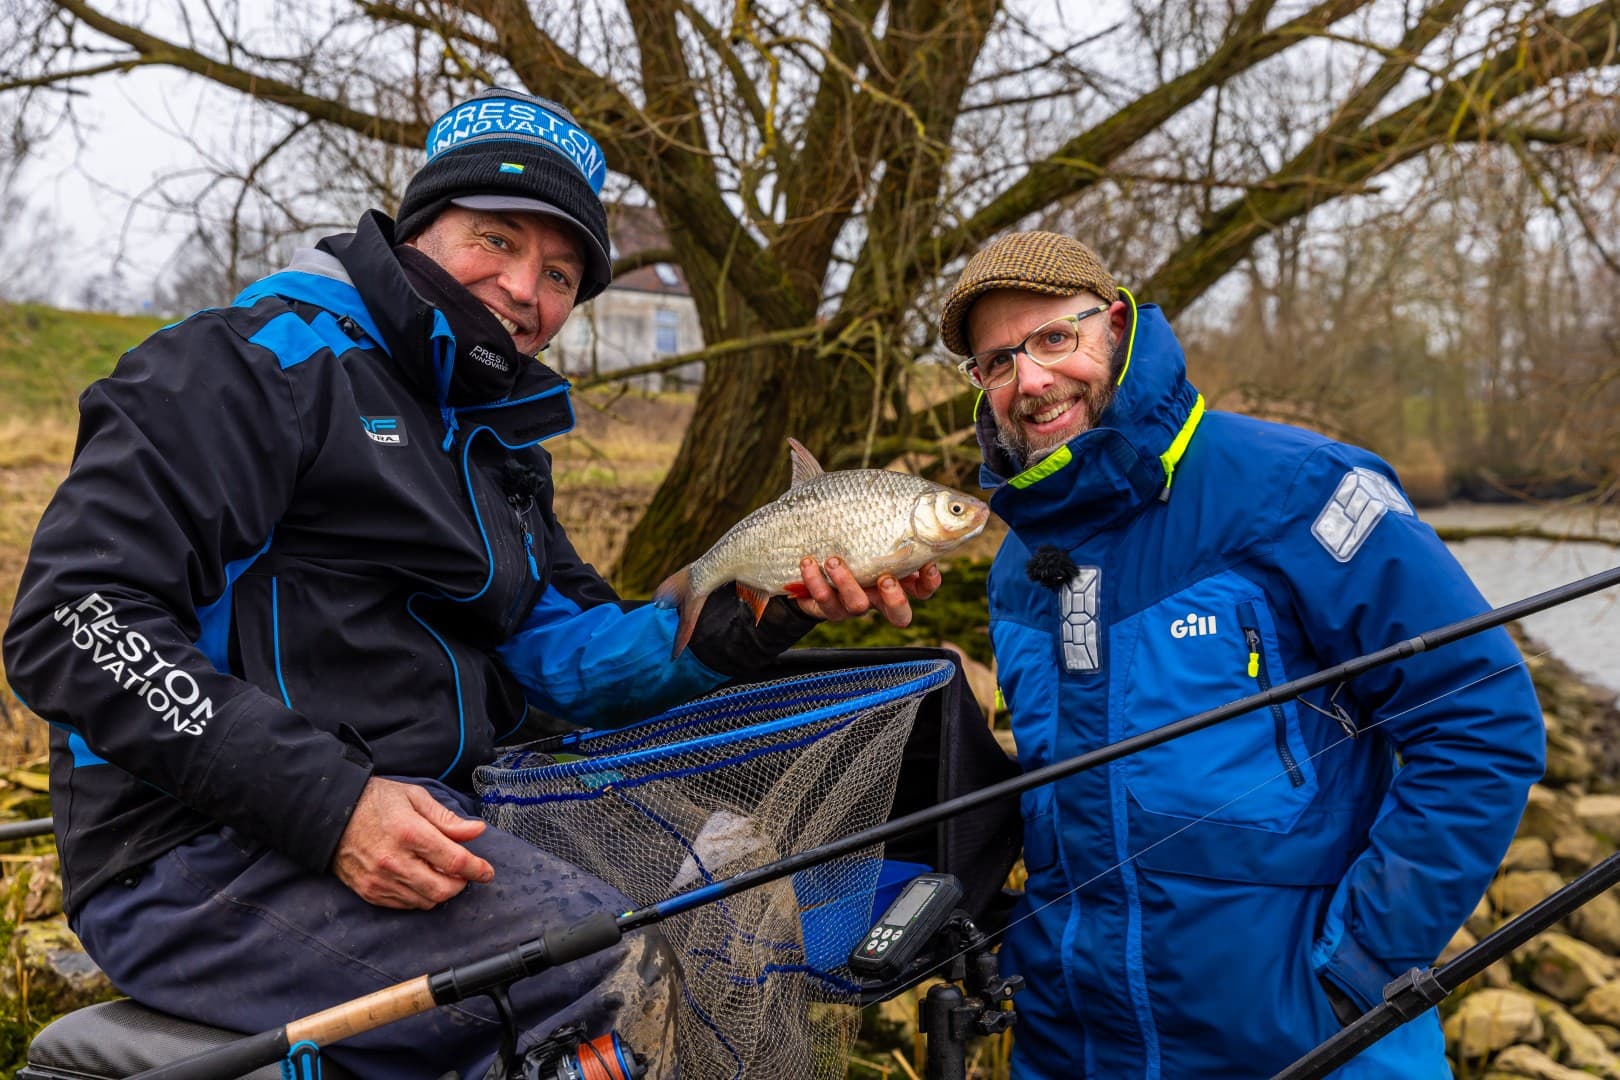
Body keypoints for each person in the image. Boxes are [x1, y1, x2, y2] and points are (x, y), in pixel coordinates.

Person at [2, 87, 940, 1079]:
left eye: (560, 274)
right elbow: (73, 622)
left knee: (730, 882)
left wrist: (753, 616)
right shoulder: (252, 363)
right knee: (597, 959)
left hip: (444, 821)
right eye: (494, 239)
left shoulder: (493, 450)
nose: (523, 288)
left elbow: (564, 661)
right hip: (197, 856)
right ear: (417, 229)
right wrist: (333, 807)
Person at [938, 231, 1545, 1078]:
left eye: (1052, 338)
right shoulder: (1016, 565)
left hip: (1313, 1047)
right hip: (1071, 1052)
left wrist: (1354, 976)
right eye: (996, 362)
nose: (1030, 381)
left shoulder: (1300, 486)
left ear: (1115, 325)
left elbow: (1484, 722)